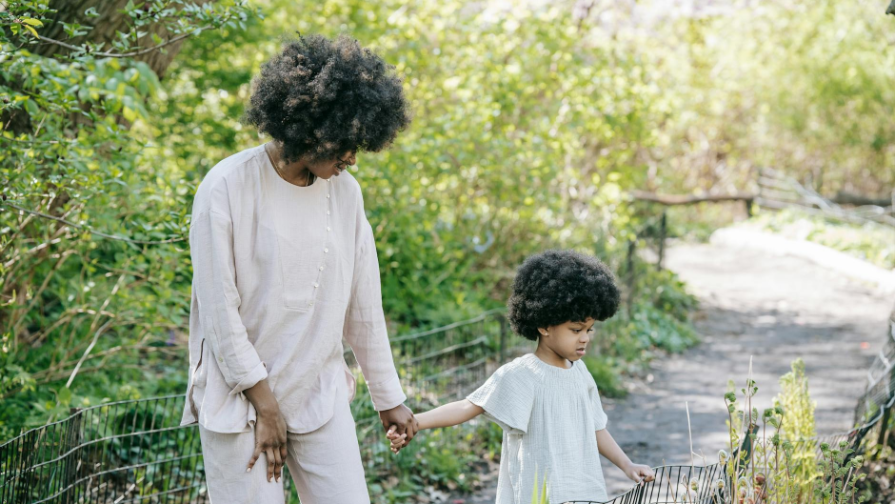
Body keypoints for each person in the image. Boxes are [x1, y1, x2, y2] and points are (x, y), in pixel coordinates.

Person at [180, 34, 417, 504]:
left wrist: (388, 397)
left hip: (318, 392)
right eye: (345, 143)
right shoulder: (225, 187)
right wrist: (265, 406)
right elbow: (220, 314)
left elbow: (363, 304)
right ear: (311, 127)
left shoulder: (346, 193)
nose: (353, 157)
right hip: (240, 403)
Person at [388, 250, 655, 504]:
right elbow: (469, 407)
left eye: (590, 329)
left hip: (583, 492)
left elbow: (596, 428)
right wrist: (415, 423)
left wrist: (627, 465)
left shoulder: (581, 373)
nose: (585, 338)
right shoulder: (522, 375)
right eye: (576, 330)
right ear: (544, 326)